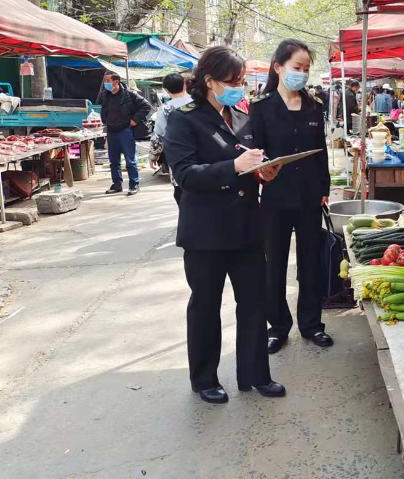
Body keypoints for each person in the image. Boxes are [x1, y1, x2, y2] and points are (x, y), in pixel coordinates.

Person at [164, 45, 285, 404]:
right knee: (205, 305)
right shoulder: (184, 118)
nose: (239, 87)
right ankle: (204, 379)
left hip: (247, 226)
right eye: (232, 81)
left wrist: (264, 172)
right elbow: (185, 174)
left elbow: (248, 165)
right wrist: (233, 168)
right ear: (209, 81)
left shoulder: (241, 116)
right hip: (206, 232)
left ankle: (255, 374)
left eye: (243, 81)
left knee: (253, 302)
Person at [250, 39, 333, 354]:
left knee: (310, 264)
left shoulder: (314, 106)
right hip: (275, 198)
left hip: (310, 197)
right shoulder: (261, 107)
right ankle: (278, 327)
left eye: (306, 69)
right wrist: (261, 172)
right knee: (274, 266)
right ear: (278, 67)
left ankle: (312, 325)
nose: (301, 74)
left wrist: (324, 188)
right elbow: (254, 152)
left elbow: (321, 152)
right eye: (296, 68)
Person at [97, 71, 151, 196]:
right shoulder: (105, 95)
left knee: (130, 160)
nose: (106, 84)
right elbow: (104, 110)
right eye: (104, 81)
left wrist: (134, 120)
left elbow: (146, 106)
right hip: (111, 131)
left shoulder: (129, 94)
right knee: (113, 161)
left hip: (125, 130)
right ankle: (117, 185)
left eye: (108, 81)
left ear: (116, 81)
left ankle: (134, 184)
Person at [151, 73, 192, 204]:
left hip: (178, 157)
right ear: (185, 85)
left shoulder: (165, 109)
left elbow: (159, 136)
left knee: (182, 194)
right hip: (205, 158)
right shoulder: (199, 102)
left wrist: (153, 155)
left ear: (166, 90)